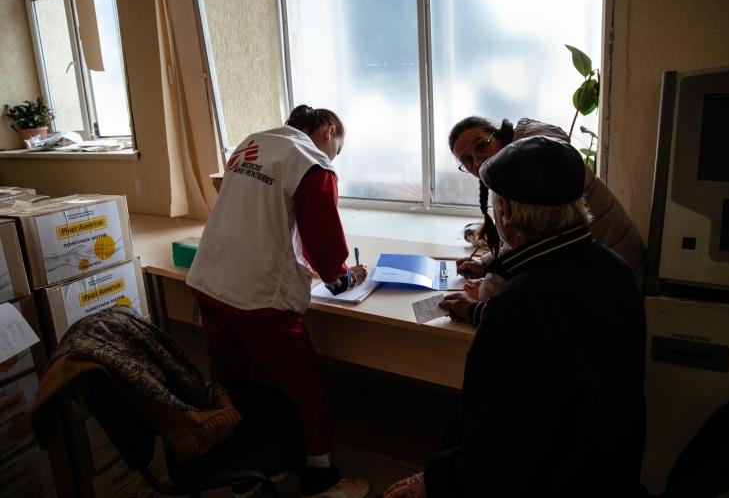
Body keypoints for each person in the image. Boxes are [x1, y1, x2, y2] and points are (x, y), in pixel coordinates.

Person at [384, 136, 647, 497]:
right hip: (609, 467)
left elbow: (498, 451)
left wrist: (434, 479)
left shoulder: (518, 307)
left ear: (505, 211)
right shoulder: (612, 268)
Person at [187, 105, 369, 498]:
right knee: (307, 388)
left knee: (232, 381)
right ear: (330, 131)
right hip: (257, 297)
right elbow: (322, 241)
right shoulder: (311, 161)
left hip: (210, 280)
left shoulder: (251, 144)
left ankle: (241, 472)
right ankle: (321, 478)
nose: (334, 154)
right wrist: (343, 275)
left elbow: (264, 217)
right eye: (338, 147)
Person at [448, 116, 646, 319]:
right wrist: (486, 262)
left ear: (498, 136)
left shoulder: (528, 170)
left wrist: (481, 298)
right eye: (467, 160)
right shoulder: (544, 156)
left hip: (602, 291)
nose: (478, 161)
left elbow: (520, 248)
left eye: (481, 146)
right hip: (614, 274)